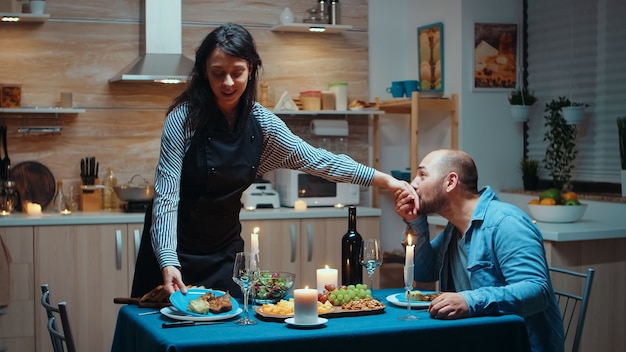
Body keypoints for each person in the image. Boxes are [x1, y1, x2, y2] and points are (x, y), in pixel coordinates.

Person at [130, 23, 415, 299]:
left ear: (250, 70)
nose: (227, 82)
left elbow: (319, 160)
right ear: (205, 72)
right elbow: (166, 196)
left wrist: (386, 180)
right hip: (174, 251)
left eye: (236, 72)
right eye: (218, 73)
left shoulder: (263, 124)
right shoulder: (183, 119)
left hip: (224, 253)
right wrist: (168, 260)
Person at [393, 149, 564, 352]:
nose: (413, 184)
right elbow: (423, 272)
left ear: (450, 182)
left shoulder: (506, 223)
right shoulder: (453, 229)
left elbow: (537, 291)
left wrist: (469, 301)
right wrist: (416, 221)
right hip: (475, 339)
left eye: (422, 175)